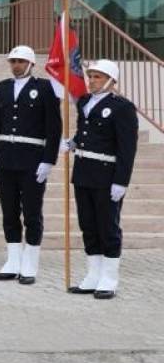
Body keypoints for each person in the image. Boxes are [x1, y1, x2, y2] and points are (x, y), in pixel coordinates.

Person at [0, 45, 61, 284]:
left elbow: (54, 126)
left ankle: (30, 263)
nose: (16, 65)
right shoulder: (1, 88)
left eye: (21, 61)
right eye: (13, 61)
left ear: (31, 64)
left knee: (31, 212)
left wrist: (48, 160)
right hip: (6, 158)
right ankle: (13, 260)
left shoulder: (44, 88)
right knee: (9, 212)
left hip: (32, 159)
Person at [67, 60, 137, 300]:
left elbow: (127, 149)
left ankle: (109, 278)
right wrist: (73, 142)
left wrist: (122, 181)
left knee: (108, 227)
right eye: (91, 75)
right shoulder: (85, 102)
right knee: (88, 225)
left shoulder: (122, 108)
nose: (92, 80)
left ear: (111, 81)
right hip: (83, 171)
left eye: (97, 76)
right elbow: (84, 131)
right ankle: (92, 276)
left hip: (107, 174)